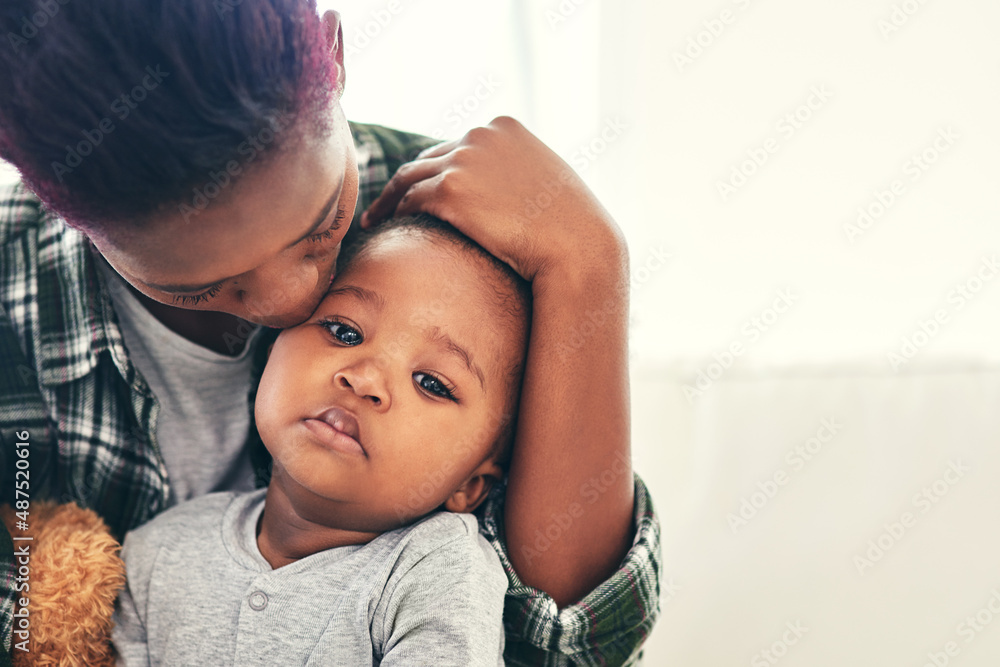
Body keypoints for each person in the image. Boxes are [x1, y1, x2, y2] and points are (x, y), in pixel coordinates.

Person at [0, 1, 660, 664]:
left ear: (335, 54)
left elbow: (566, 649)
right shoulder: (15, 299)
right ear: (55, 204)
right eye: (204, 286)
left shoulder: (469, 243)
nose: (297, 301)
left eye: (322, 227)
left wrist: (590, 262)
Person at [112, 215, 528, 665]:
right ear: (272, 349)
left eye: (430, 382)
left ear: (470, 484)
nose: (364, 378)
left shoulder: (437, 569)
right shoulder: (158, 551)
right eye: (345, 332)